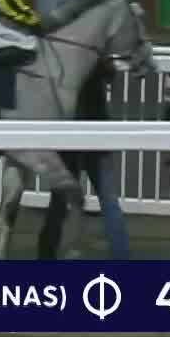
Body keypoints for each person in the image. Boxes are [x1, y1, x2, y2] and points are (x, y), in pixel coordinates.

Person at [37, 63, 131, 259]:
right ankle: (122, 256)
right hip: (95, 132)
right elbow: (109, 73)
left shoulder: (64, 61)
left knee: (60, 200)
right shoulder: (94, 55)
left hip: (70, 133)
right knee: (108, 201)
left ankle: (46, 255)